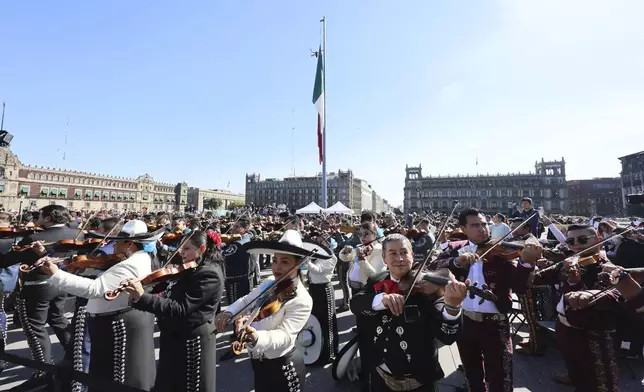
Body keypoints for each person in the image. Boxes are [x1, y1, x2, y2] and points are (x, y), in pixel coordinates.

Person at [39, 220, 161, 391]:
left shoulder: (129, 265)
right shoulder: (139, 259)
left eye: (117, 241)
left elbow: (95, 289)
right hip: (120, 319)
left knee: (114, 376)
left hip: (115, 324)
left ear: (129, 244)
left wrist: (56, 274)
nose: (113, 244)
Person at [431, 208, 538, 392]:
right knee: (472, 373)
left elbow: (519, 286)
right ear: (463, 228)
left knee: (500, 377)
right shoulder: (456, 248)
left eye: (484, 224)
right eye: (475, 225)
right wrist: (458, 262)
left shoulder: (502, 253)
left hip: (495, 324)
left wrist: (526, 263)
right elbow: (434, 267)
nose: (482, 229)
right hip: (465, 322)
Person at [351, 233, 467, 392]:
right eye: (392, 253)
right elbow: (356, 304)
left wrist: (453, 307)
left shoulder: (429, 289)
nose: (399, 258)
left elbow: (447, 336)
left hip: (419, 380)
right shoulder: (376, 279)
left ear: (412, 256)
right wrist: (380, 300)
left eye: (404, 252)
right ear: (384, 258)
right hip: (381, 374)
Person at [215, 230, 325, 392]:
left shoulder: (302, 299)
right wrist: (229, 312)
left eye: (285, 262)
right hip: (258, 363)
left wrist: (256, 336)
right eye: (274, 260)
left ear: (298, 264)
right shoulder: (269, 283)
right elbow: (246, 300)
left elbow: (286, 336)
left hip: (283, 367)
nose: (277, 267)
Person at [123, 230, 224, 392]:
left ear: (202, 249)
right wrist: (144, 288)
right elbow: (168, 290)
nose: (181, 252)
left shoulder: (209, 273)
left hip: (192, 340)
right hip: (176, 336)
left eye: (186, 249)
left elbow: (180, 308)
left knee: (188, 385)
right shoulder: (192, 267)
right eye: (180, 248)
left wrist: (142, 296)